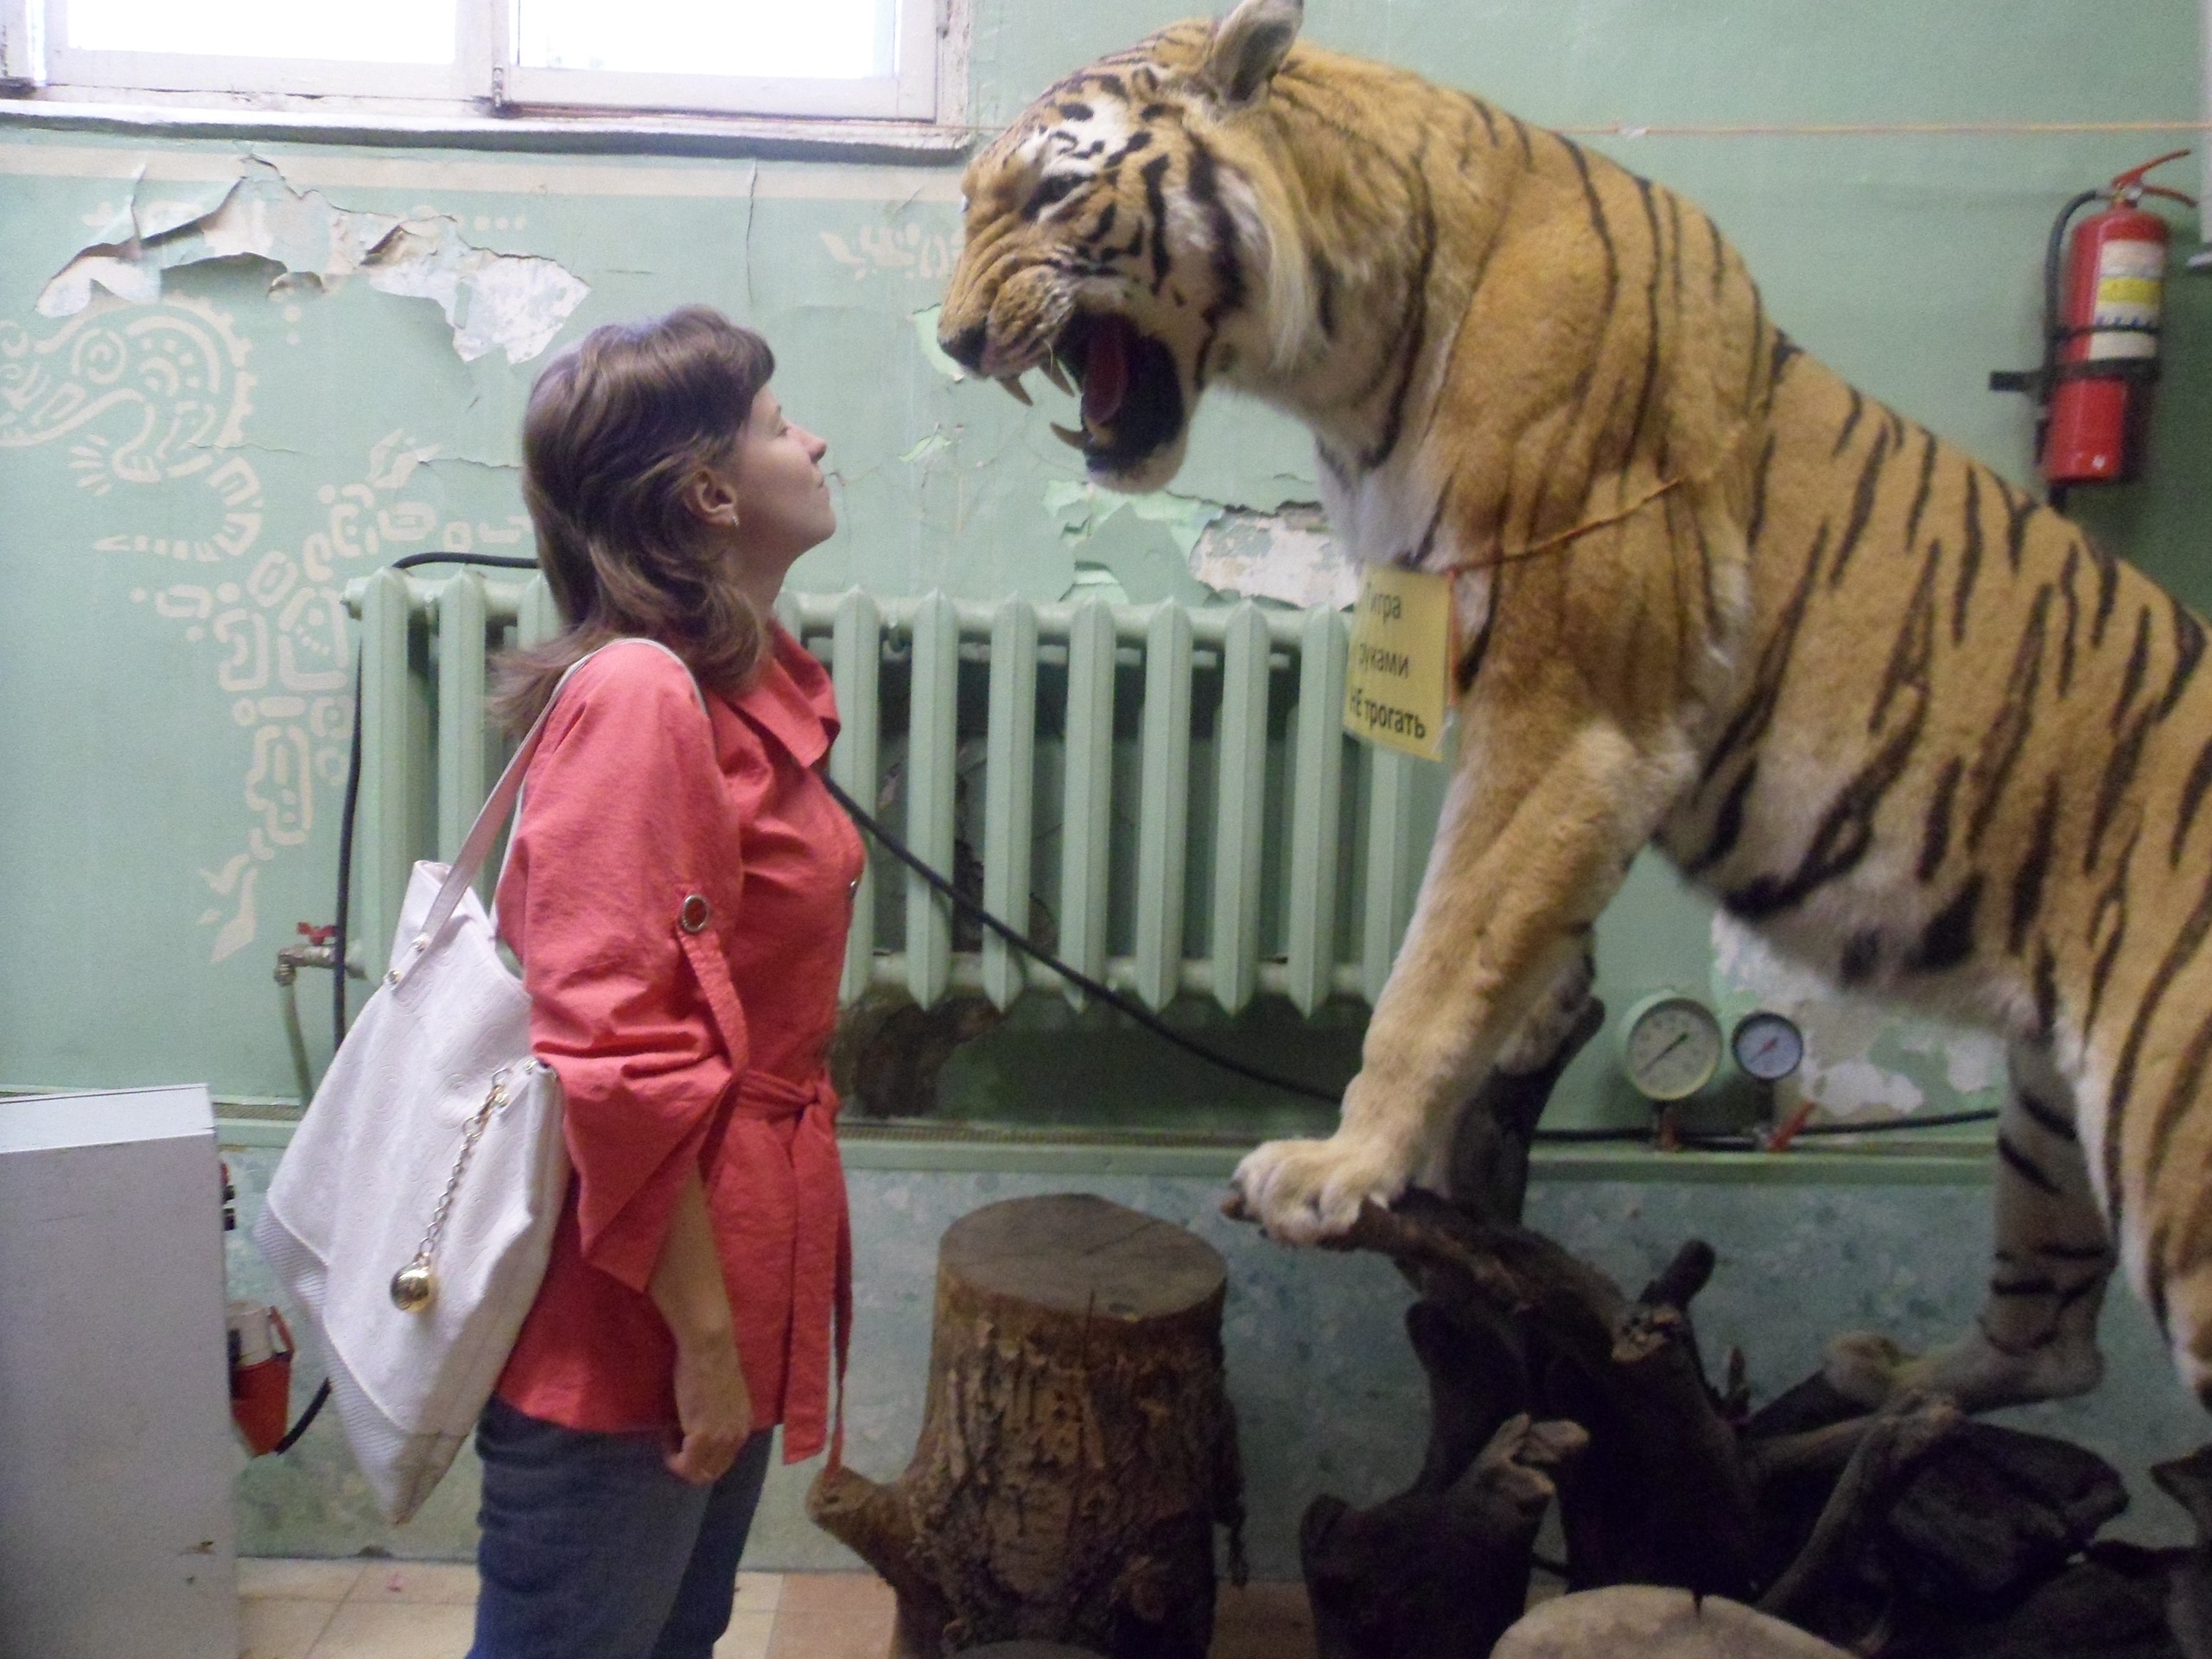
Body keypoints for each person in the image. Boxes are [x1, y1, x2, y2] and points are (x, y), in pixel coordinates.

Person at [470, 306, 861, 1659]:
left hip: (711, 1283)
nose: (814, 442)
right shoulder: (638, 694)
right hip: (634, 1322)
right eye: (777, 425)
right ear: (708, 494)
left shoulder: (736, 687)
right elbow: (616, 1058)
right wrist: (701, 1341)